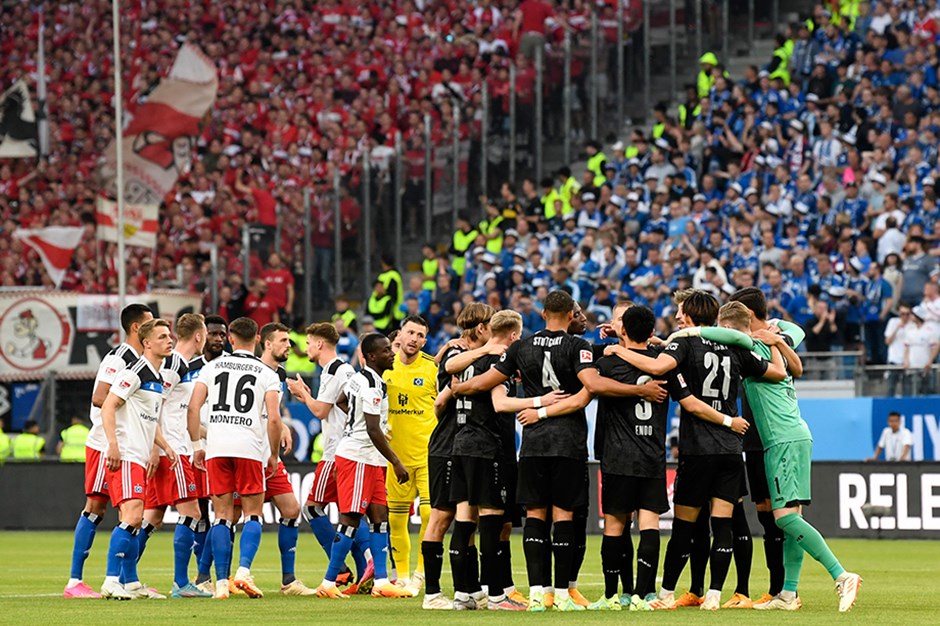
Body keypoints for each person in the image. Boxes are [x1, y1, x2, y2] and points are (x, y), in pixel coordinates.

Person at [452, 290, 666, 612]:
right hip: (567, 442)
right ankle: (564, 595)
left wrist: (460, 387)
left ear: (542, 312)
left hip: (534, 443)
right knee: (564, 515)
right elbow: (591, 385)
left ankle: (538, 593)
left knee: (537, 515)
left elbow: (487, 381)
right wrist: (637, 387)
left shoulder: (522, 347)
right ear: (569, 315)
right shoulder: (578, 346)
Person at [606, 290, 786, 611]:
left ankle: (665, 595)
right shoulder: (734, 346)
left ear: (688, 316)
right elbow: (777, 373)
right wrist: (774, 343)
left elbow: (659, 367)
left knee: (684, 528)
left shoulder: (685, 342)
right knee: (723, 525)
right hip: (731, 451)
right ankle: (715, 596)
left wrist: (616, 352)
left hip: (698, 449)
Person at [519, 305, 676, 611]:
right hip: (653, 454)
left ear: (624, 331)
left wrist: (614, 345)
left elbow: (584, 376)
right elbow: (669, 348)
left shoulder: (607, 363)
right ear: (652, 331)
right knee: (649, 525)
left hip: (617, 455)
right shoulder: (666, 362)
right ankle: (645, 597)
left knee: (615, 526)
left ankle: (612, 595)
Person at [708, 302, 862, 612]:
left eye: (725, 329)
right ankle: (788, 594)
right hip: (789, 437)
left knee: (785, 518)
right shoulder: (769, 344)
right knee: (792, 518)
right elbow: (796, 355)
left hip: (783, 440)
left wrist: (688, 331)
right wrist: (777, 336)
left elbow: (732, 336)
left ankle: (842, 574)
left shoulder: (752, 346)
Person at [435, 310, 533, 611]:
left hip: (461, 443)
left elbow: (447, 366)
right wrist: (541, 402)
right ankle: (495, 595)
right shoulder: (495, 361)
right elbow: (499, 402)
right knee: (491, 520)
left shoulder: (471, 357)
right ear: (514, 335)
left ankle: (463, 594)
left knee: (465, 520)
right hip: (484, 446)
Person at [187, 317, 284, 600]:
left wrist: (196, 445)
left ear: (230, 338)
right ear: (256, 339)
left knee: (221, 516)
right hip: (250, 448)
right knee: (253, 513)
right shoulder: (266, 373)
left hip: (217, 447)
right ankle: (242, 572)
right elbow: (275, 419)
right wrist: (274, 454)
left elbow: (193, 408)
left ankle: (219, 585)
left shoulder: (211, 367)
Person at [313, 333, 412, 599]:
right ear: (371, 357)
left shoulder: (361, 378)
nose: (392, 353)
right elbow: (371, 429)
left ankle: (380, 581)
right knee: (351, 519)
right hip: (358, 457)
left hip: (370, 458)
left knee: (380, 518)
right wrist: (396, 461)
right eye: (386, 351)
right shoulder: (369, 385)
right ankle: (329, 582)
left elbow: (343, 401)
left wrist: (353, 422)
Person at [64, 303, 153, 599]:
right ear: (137, 328)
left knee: (129, 509)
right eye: (150, 324)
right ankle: (75, 580)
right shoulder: (119, 357)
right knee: (96, 508)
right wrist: (122, 400)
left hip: (125, 441)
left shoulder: (140, 360)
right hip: (105, 442)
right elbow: (101, 397)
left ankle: (129, 580)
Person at [420, 302, 496, 610]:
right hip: (446, 445)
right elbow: (439, 404)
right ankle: (433, 593)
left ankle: (469, 587)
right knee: (442, 516)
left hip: (466, 445)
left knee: (469, 516)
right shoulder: (454, 354)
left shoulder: (466, 352)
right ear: (481, 328)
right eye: (492, 326)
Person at [98, 318, 176, 599]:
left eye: (170, 336)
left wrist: (165, 446)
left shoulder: (156, 376)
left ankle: (130, 582)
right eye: (163, 337)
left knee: (137, 518)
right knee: (132, 516)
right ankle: (110, 580)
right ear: (146, 343)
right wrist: (113, 444)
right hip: (127, 454)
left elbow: (150, 419)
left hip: (141, 457)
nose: (170, 340)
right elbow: (108, 406)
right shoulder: (135, 372)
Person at [289, 323, 369, 591]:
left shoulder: (334, 370)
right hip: (346, 449)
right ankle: (363, 568)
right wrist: (308, 397)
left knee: (312, 508)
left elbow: (321, 411)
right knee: (351, 510)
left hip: (337, 451)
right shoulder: (342, 370)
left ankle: (347, 569)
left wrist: (303, 395)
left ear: (320, 344)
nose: (308, 348)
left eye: (310, 343)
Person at [139, 313, 209, 598]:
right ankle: (181, 583)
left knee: (151, 518)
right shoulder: (177, 363)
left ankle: (122, 575)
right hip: (173, 451)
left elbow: (178, 411)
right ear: (199, 335)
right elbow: (157, 403)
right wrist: (157, 448)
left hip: (170, 447)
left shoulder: (181, 364)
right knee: (192, 513)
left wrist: (210, 433)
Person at [255, 322, 315, 596]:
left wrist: (283, 427)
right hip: (251, 453)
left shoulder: (278, 372)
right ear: (267, 344)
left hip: (270, 456)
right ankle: (217, 577)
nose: (289, 345)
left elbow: (272, 411)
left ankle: (288, 580)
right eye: (283, 340)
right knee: (229, 516)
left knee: (291, 510)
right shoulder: (253, 370)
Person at [383, 315, 438, 595]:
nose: (414, 338)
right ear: (400, 336)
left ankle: (421, 574)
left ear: (424, 341)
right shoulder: (385, 368)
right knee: (396, 519)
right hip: (396, 458)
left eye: (420, 335)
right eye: (410, 333)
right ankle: (401, 577)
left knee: (429, 514)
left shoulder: (432, 369)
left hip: (428, 454)